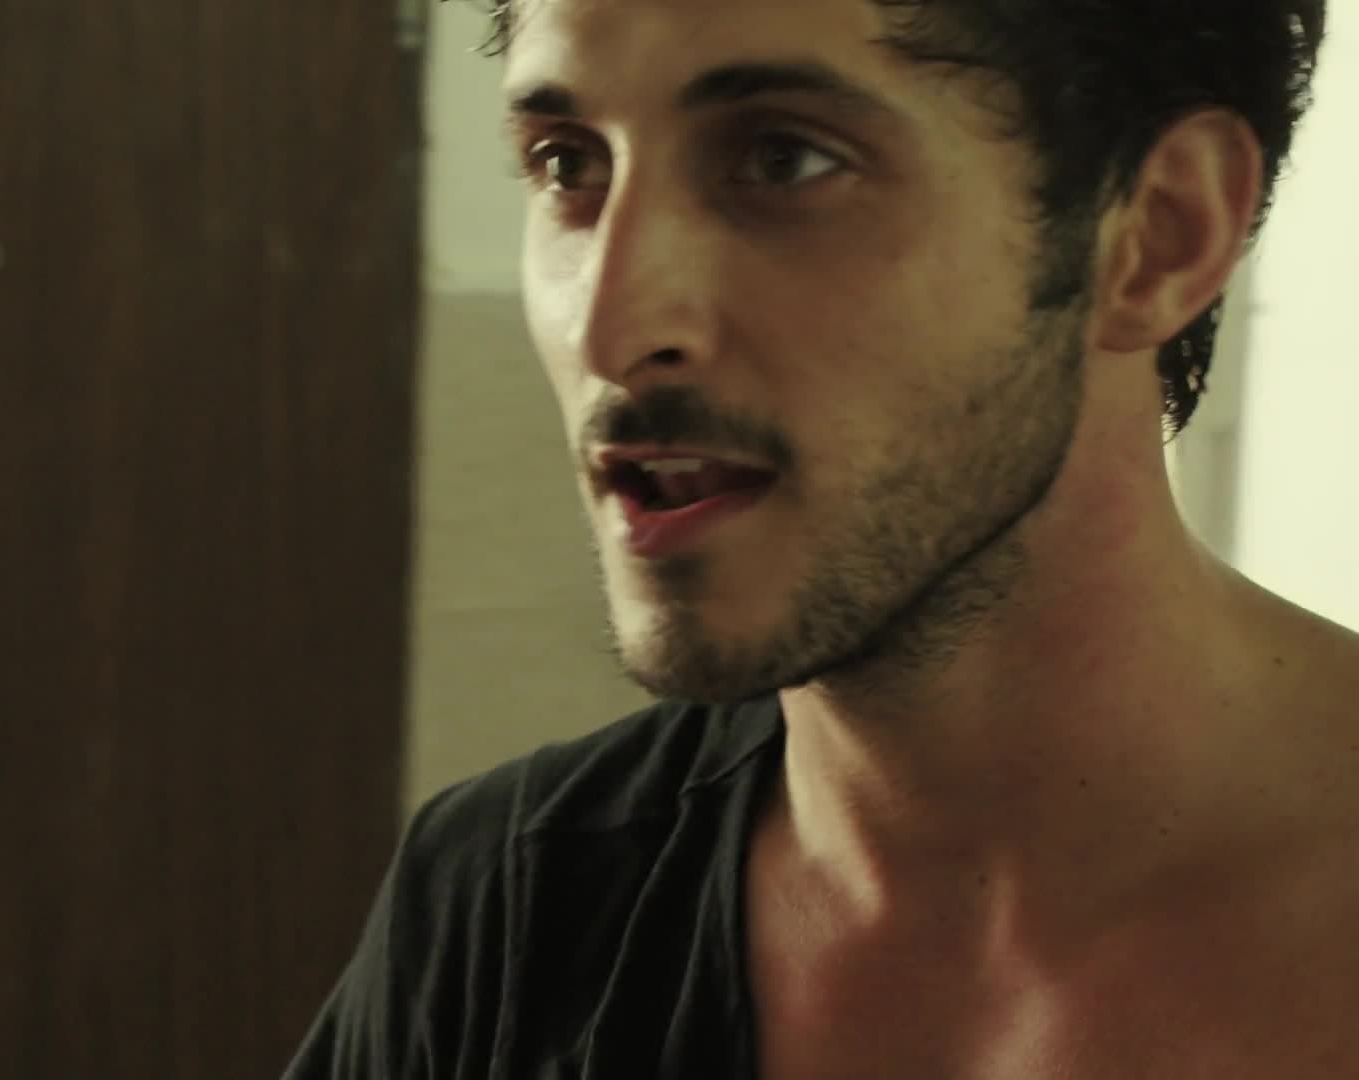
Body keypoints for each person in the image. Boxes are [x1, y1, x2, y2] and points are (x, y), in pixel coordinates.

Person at [286, 0, 1351, 1075]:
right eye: (569, 165)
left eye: (783, 160)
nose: (610, 329)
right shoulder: (510, 915)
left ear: (1160, 234)